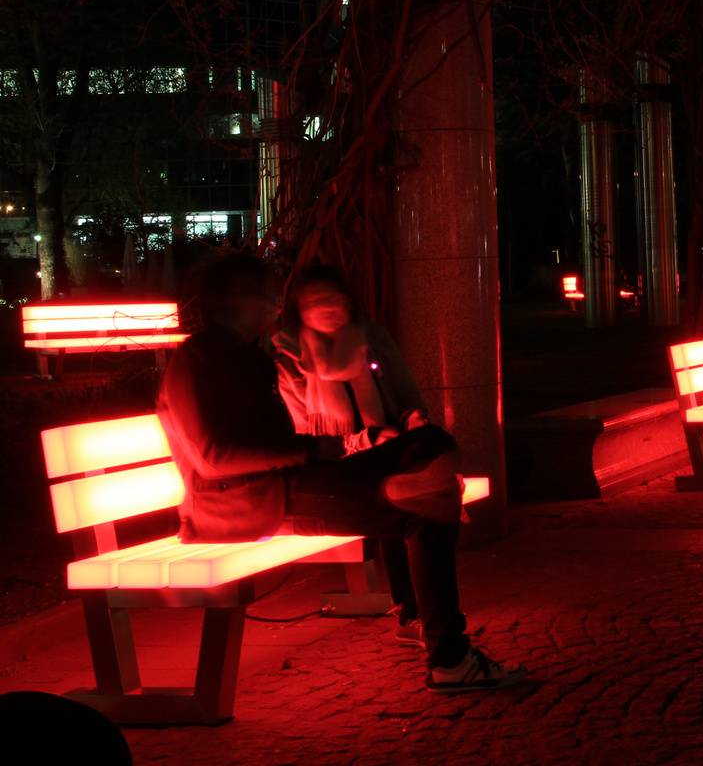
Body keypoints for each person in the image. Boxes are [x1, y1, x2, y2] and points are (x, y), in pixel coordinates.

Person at [156, 252, 526, 693]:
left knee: (429, 446)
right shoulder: (197, 358)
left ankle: (430, 477)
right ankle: (450, 657)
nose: (270, 306)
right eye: (260, 296)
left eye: (269, 296)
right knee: (422, 506)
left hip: (284, 484)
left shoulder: (247, 358)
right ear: (230, 301)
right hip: (242, 504)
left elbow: (280, 444)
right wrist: (313, 447)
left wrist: (328, 449)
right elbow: (214, 456)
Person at [275, 264, 430, 649]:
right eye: (315, 301)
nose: (327, 308)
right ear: (298, 308)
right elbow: (307, 437)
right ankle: (414, 612)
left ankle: (418, 610)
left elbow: (406, 392)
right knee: (403, 499)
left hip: (385, 446)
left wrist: (414, 418)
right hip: (330, 468)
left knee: (422, 480)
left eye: (334, 298)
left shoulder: (370, 337)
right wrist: (367, 439)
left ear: (349, 302)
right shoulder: (288, 356)